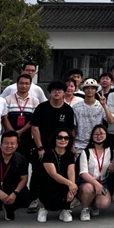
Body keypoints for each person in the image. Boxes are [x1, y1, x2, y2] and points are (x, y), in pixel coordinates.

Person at [29, 81, 76, 211]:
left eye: (60, 90)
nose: (57, 92)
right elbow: (35, 128)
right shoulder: (42, 108)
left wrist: (71, 147)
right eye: (54, 90)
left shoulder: (68, 110)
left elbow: (71, 130)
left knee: (61, 173)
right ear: (50, 92)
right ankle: (35, 199)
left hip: (61, 148)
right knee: (38, 173)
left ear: (64, 92)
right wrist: (40, 147)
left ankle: (65, 201)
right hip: (43, 147)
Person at [37, 127, 78, 223]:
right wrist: (70, 184)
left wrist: (72, 188)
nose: (63, 140)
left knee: (74, 186)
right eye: (60, 137)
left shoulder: (70, 154)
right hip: (49, 183)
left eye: (66, 138)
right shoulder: (48, 153)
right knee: (43, 184)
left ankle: (65, 209)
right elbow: (53, 174)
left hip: (64, 184)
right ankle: (42, 209)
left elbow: (71, 172)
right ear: (55, 139)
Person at [77, 124, 114, 221]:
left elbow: (112, 168)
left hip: (103, 181)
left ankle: (93, 203)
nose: (99, 136)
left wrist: (111, 168)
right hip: (87, 181)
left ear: (106, 135)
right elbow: (83, 173)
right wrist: (96, 184)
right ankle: (85, 208)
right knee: (89, 188)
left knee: (104, 204)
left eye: (101, 134)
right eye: (96, 134)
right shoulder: (86, 152)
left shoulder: (112, 152)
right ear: (92, 136)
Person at [73, 78, 114, 153]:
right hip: (79, 144)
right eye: (87, 88)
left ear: (96, 90)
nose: (90, 90)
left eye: (92, 88)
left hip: (97, 143)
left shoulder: (100, 106)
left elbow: (111, 120)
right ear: (83, 90)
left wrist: (104, 105)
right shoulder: (76, 107)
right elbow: (74, 127)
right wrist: (72, 144)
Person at [4, 74, 39, 160]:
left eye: (27, 83)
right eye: (21, 83)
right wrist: (13, 132)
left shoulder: (35, 101)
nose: (24, 86)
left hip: (27, 136)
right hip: (9, 136)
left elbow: (34, 119)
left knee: (24, 160)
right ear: (17, 84)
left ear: (30, 85)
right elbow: (4, 118)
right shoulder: (7, 99)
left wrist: (20, 132)